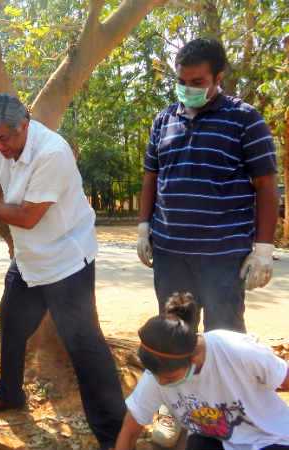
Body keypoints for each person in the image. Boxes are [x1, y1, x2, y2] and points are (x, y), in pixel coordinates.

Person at [0, 93, 125, 450]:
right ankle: (10, 393)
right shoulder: (6, 151)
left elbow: (27, 217)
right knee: (11, 323)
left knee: (85, 347)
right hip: (30, 260)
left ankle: (114, 435)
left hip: (65, 263)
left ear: (24, 125)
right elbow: (0, 192)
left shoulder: (52, 153)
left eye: (4, 138)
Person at [136, 38, 279, 446]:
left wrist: (263, 248)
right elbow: (151, 176)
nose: (187, 88)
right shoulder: (163, 120)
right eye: (181, 81)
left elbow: (266, 185)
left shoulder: (245, 120)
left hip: (222, 256)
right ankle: (177, 410)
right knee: (173, 336)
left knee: (225, 338)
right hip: (171, 252)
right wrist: (144, 226)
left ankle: (230, 414)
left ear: (219, 77)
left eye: (197, 81)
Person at [114, 292, 289, 450]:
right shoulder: (158, 374)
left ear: (193, 358)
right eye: (156, 376)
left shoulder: (237, 350)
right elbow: (130, 431)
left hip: (270, 439)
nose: (161, 383)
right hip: (217, 441)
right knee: (198, 442)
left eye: (170, 378)